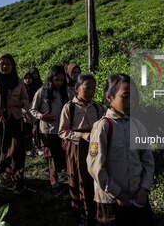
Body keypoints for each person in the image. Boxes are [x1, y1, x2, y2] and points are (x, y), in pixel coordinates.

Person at [87, 74, 155, 226]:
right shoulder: (102, 127)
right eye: (126, 96)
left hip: (138, 199)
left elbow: (147, 160)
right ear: (109, 97)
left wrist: (144, 188)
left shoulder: (138, 126)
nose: (131, 101)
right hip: (112, 203)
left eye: (134, 97)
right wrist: (118, 193)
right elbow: (95, 167)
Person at [59, 74, 103, 226]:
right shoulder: (69, 107)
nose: (91, 92)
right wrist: (81, 135)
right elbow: (62, 131)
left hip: (93, 146)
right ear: (76, 89)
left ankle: (94, 212)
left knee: (93, 176)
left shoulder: (97, 107)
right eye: (87, 88)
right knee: (79, 177)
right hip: (76, 147)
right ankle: (81, 215)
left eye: (93, 88)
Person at [0, 53, 29, 194]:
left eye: (8, 64)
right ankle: (4, 175)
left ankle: (17, 176)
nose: (4, 66)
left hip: (15, 120)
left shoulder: (19, 82)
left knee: (16, 150)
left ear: (12, 66)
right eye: (2, 63)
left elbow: (26, 101)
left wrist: (16, 102)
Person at [30, 65, 68, 192]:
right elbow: (32, 109)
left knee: (62, 155)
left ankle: (65, 178)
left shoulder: (67, 92)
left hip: (63, 130)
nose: (59, 83)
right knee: (51, 156)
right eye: (56, 80)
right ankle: (54, 183)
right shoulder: (42, 91)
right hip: (47, 131)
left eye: (61, 80)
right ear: (51, 78)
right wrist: (41, 116)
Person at [28, 66, 44, 155]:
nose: (34, 75)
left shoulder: (40, 84)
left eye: (36, 73)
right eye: (33, 73)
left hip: (38, 108)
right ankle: (31, 145)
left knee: (36, 127)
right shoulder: (27, 84)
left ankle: (38, 145)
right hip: (29, 107)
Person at [22, 71, 36, 155]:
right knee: (26, 129)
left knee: (33, 128)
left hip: (33, 108)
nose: (28, 80)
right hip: (24, 109)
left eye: (30, 78)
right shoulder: (21, 88)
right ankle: (27, 147)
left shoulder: (35, 88)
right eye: (26, 78)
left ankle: (34, 146)